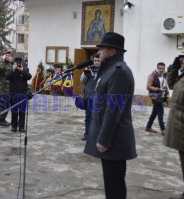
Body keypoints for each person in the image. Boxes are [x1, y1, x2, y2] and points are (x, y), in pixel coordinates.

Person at [84, 32, 137, 199]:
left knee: (114, 186)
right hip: (111, 137)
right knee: (112, 183)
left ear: (112, 51)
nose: (99, 52)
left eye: (103, 48)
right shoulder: (110, 69)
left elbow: (113, 110)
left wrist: (104, 138)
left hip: (114, 139)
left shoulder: (119, 72)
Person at [163, 50, 184, 199]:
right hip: (178, 121)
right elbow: (171, 85)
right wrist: (174, 68)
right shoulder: (182, 75)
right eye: (181, 58)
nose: (182, 60)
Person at [5, 58, 32, 132]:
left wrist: (22, 71)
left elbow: (29, 77)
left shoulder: (25, 69)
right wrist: (13, 70)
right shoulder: (10, 69)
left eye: (19, 63)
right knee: (14, 110)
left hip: (23, 93)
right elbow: (7, 77)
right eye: (16, 63)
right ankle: (14, 126)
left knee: (22, 111)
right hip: (13, 93)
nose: (18, 65)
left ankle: (21, 127)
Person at [79, 54, 100, 141]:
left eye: (98, 61)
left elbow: (100, 82)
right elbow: (82, 81)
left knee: (97, 119)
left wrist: (93, 75)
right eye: (95, 60)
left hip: (98, 99)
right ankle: (87, 135)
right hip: (88, 97)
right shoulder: (89, 69)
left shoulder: (103, 71)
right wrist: (85, 73)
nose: (96, 62)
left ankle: (96, 136)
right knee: (88, 118)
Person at [145, 62, 168, 135]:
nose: (161, 69)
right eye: (160, 68)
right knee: (161, 112)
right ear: (157, 68)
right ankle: (163, 129)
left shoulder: (164, 75)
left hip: (161, 96)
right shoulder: (152, 76)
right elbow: (148, 86)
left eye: (163, 68)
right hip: (155, 97)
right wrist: (158, 89)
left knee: (154, 112)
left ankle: (148, 127)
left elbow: (165, 85)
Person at [0, 50, 12, 127]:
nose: (9, 57)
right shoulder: (0, 63)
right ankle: (1, 120)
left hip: (9, 88)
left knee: (7, 105)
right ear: (3, 56)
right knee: (2, 104)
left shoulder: (10, 64)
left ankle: (4, 118)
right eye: (7, 55)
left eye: (9, 55)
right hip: (2, 88)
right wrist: (2, 59)